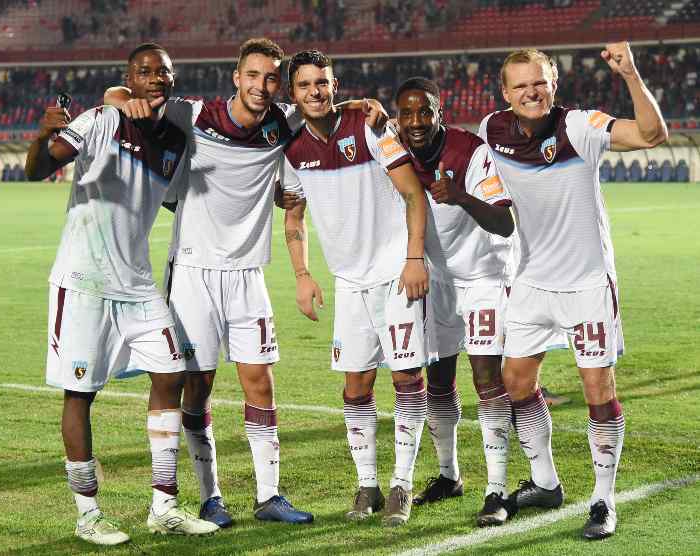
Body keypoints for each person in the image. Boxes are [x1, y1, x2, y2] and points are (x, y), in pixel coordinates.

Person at [105, 38, 388, 526]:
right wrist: (119, 97)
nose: (261, 85)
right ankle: (210, 496)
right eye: (252, 76)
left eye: (270, 78)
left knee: (260, 383)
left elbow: (319, 104)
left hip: (249, 273)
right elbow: (119, 96)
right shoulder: (193, 115)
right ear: (236, 78)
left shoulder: (282, 122)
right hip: (194, 271)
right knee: (198, 387)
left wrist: (359, 104)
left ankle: (269, 496)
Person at [25, 43, 218, 545]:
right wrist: (48, 130)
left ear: (173, 80)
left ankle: (164, 505)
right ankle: (88, 512)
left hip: (136, 283)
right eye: (144, 71)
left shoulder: (176, 141)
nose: (155, 78)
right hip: (83, 281)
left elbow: (176, 201)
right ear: (128, 77)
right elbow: (40, 167)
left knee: (171, 373)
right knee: (80, 393)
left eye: (164, 72)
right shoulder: (101, 119)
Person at [478, 43, 667, 539]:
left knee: (596, 388)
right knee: (515, 380)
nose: (530, 92)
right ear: (504, 92)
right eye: (519, 85)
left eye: (539, 82)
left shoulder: (580, 126)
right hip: (531, 281)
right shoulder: (491, 130)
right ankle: (545, 483)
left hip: (586, 283)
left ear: (553, 84)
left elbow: (650, 134)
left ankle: (604, 502)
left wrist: (630, 75)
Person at [280, 50, 434, 527]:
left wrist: (413, 259)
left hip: (395, 275)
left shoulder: (367, 126)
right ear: (293, 94)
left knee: (407, 378)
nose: (315, 92)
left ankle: (402, 485)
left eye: (322, 83)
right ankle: (366, 483)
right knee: (356, 384)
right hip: (349, 283)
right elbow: (293, 215)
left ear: (334, 84)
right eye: (305, 85)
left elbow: (413, 193)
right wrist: (303, 276)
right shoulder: (292, 149)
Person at [394, 77, 518, 527]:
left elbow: (504, 223)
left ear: (440, 112)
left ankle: (497, 489)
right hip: (438, 279)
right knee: (439, 376)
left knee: (486, 376)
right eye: (406, 114)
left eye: (424, 111)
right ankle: (449, 475)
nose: (415, 122)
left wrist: (461, 196)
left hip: (485, 275)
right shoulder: (396, 150)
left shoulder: (471, 151)